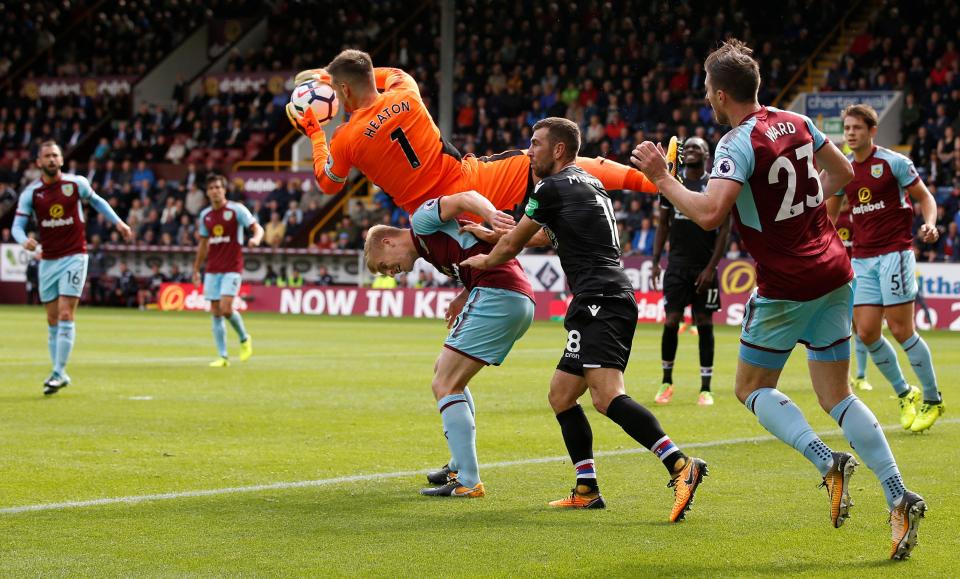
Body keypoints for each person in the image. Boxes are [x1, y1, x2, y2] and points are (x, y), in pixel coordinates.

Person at [631, 39, 926, 560]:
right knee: (837, 395)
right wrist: (812, 218)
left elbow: (709, 213)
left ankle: (824, 460)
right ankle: (898, 495)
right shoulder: (797, 121)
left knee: (749, 388)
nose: (705, 96)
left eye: (706, 88)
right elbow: (842, 175)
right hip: (835, 269)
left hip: (786, 283)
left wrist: (661, 178)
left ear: (721, 95)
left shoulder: (735, 143)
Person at [461, 118, 707, 522]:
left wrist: (485, 259)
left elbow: (515, 243)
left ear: (559, 149)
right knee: (561, 395)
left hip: (601, 299)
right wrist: (494, 237)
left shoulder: (550, 187)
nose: (529, 151)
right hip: (601, 297)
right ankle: (586, 488)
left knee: (606, 396)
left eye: (536, 144)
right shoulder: (587, 182)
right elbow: (545, 236)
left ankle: (681, 466)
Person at [288, 49, 658, 218]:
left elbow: (327, 183)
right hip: (469, 183)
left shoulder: (345, 139)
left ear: (344, 91)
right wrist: (326, 74)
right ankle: (654, 182)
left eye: (336, 89)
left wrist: (315, 132)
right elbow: (382, 74)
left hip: (432, 216)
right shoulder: (406, 89)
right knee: (563, 167)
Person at [365, 190, 534, 498]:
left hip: (499, 294)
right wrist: (462, 296)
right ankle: (458, 465)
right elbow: (475, 259)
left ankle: (468, 480)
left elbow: (465, 197)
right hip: (506, 295)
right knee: (444, 372)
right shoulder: (430, 249)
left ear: (387, 242)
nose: (390, 274)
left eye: (384, 265)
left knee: (445, 384)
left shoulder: (420, 222)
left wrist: (491, 215)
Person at [826, 104, 943, 433]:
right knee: (865, 332)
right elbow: (829, 219)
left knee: (902, 330)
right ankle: (906, 394)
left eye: (857, 128)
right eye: (847, 128)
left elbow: (925, 197)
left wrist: (930, 223)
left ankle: (933, 398)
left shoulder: (894, 162)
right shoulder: (843, 170)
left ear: (871, 131)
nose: (850, 133)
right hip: (861, 258)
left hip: (895, 253)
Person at [12, 141, 134, 395]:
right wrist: (25, 241)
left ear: (62, 160)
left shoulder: (76, 184)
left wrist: (119, 223)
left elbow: (98, 202)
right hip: (48, 259)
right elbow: (17, 227)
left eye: (56, 155)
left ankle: (57, 373)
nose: (52, 159)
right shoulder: (31, 194)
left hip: (75, 255)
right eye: (47, 156)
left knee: (67, 314)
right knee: (52, 318)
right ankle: (60, 372)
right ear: (38, 162)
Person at [651, 136, 731, 406]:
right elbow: (663, 225)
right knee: (671, 321)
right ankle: (666, 382)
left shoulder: (715, 186)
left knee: (705, 323)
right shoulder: (672, 184)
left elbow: (725, 231)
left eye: (698, 147)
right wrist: (654, 261)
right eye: (690, 147)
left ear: (707, 154)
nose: (693, 150)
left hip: (704, 268)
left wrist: (711, 267)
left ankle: (705, 388)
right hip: (676, 266)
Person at [192, 175, 264, 367]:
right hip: (213, 269)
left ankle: (244, 338)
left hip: (232, 267)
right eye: (211, 188)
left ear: (224, 190)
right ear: (207, 193)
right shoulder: (205, 215)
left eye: (218, 187)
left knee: (225, 308)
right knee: (215, 311)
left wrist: (256, 239)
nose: (215, 190)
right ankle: (223, 357)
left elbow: (258, 228)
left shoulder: (236, 210)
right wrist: (196, 269)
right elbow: (203, 244)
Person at [833, 195, 874, 391]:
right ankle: (845, 374)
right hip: (836, 278)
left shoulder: (856, 218)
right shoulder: (829, 218)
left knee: (860, 328)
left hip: (857, 276)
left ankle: (861, 375)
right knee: (839, 328)